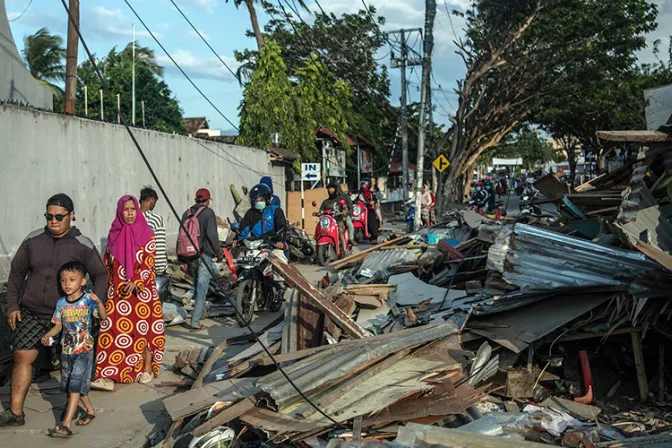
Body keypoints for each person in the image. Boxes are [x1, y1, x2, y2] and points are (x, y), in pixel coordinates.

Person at [1, 194, 107, 428]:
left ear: (72, 216)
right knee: (21, 355)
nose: (53, 221)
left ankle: (70, 413)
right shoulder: (33, 240)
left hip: (68, 317)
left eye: (59, 216)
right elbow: (17, 274)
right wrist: (12, 306)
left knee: (70, 366)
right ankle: (16, 413)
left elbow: (100, 275)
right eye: (49, 216)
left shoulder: (83, 244)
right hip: (32, 311)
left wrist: (93, 306)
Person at [94, 195, 164, 385]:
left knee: (144, 331)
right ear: (120, 211)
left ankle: (146, 368)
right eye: (126, 209)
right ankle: (109, 373)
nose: (130, 213)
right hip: (118, 293)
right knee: (112, 331)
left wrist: (136, 282)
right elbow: (107, 266)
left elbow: (149, 264)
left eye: (133, 209)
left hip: (142, 293)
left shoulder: (147, 234)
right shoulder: (113, 235)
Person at [41, 262, 107, 438]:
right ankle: (90, 411)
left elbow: (103, 316)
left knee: (75, 386)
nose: (67, 284)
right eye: (63, 281)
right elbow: (58, 326)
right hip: (66, 351)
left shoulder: (87, 300)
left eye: (72, 280)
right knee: (71, 384)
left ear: (83, 281)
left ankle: (66, 424)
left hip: (84, 350)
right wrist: (48, 335)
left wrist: (99, 301)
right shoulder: (61, 303)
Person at [181, 188, 221, 332]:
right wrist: (219, 252)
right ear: (208, 200)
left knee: (197, 287)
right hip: (204, 255)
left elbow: (181, 236)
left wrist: (182, 259)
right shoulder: (208, 213)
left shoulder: (187, 213)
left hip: (190, 256)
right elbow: (212, 235)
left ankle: (199, 314)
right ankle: (195, 322)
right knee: (202, 288)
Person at [236, 183, 288, 248]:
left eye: (261, 200)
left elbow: (282, 227)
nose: (258, 202)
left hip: (273, 244)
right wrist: (236, 239)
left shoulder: (276, 211)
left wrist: (280, 240)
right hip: (255, 246)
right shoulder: (251, 212)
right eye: (256, 201)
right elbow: (243, 229)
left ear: (267, 199)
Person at [139, 186, 167, 276]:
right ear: (152, 201)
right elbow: (159, 249)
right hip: (149, 271)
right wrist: (160, 270)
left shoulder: (129, 219)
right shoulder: (155, 219)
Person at [318, 183, 349, 252]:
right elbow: (320, 210)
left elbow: (345, 207)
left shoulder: (340, 199)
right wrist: (318, 213)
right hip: (328, 222)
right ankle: (316, 250)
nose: (331, 190)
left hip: (338, 220)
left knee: (340, 232)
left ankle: (344, 249)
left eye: (332, 188)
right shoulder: (325, 202)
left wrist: (344, 211)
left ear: (335, 190)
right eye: (329, 189)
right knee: (318, 231)